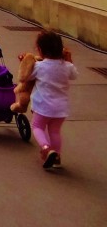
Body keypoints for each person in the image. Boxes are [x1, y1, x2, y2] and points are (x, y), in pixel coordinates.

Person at [27, 29, 79, 169]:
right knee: (55, 131)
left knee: (37, 127)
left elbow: (28, 77)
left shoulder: (39, 66)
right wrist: (69, 61)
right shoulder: (67, 67)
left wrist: (25, 63)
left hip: (43, 106)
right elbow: (74, 75)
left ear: (40, 50)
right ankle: (57, 157)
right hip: (61, 108)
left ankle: (46, 148)